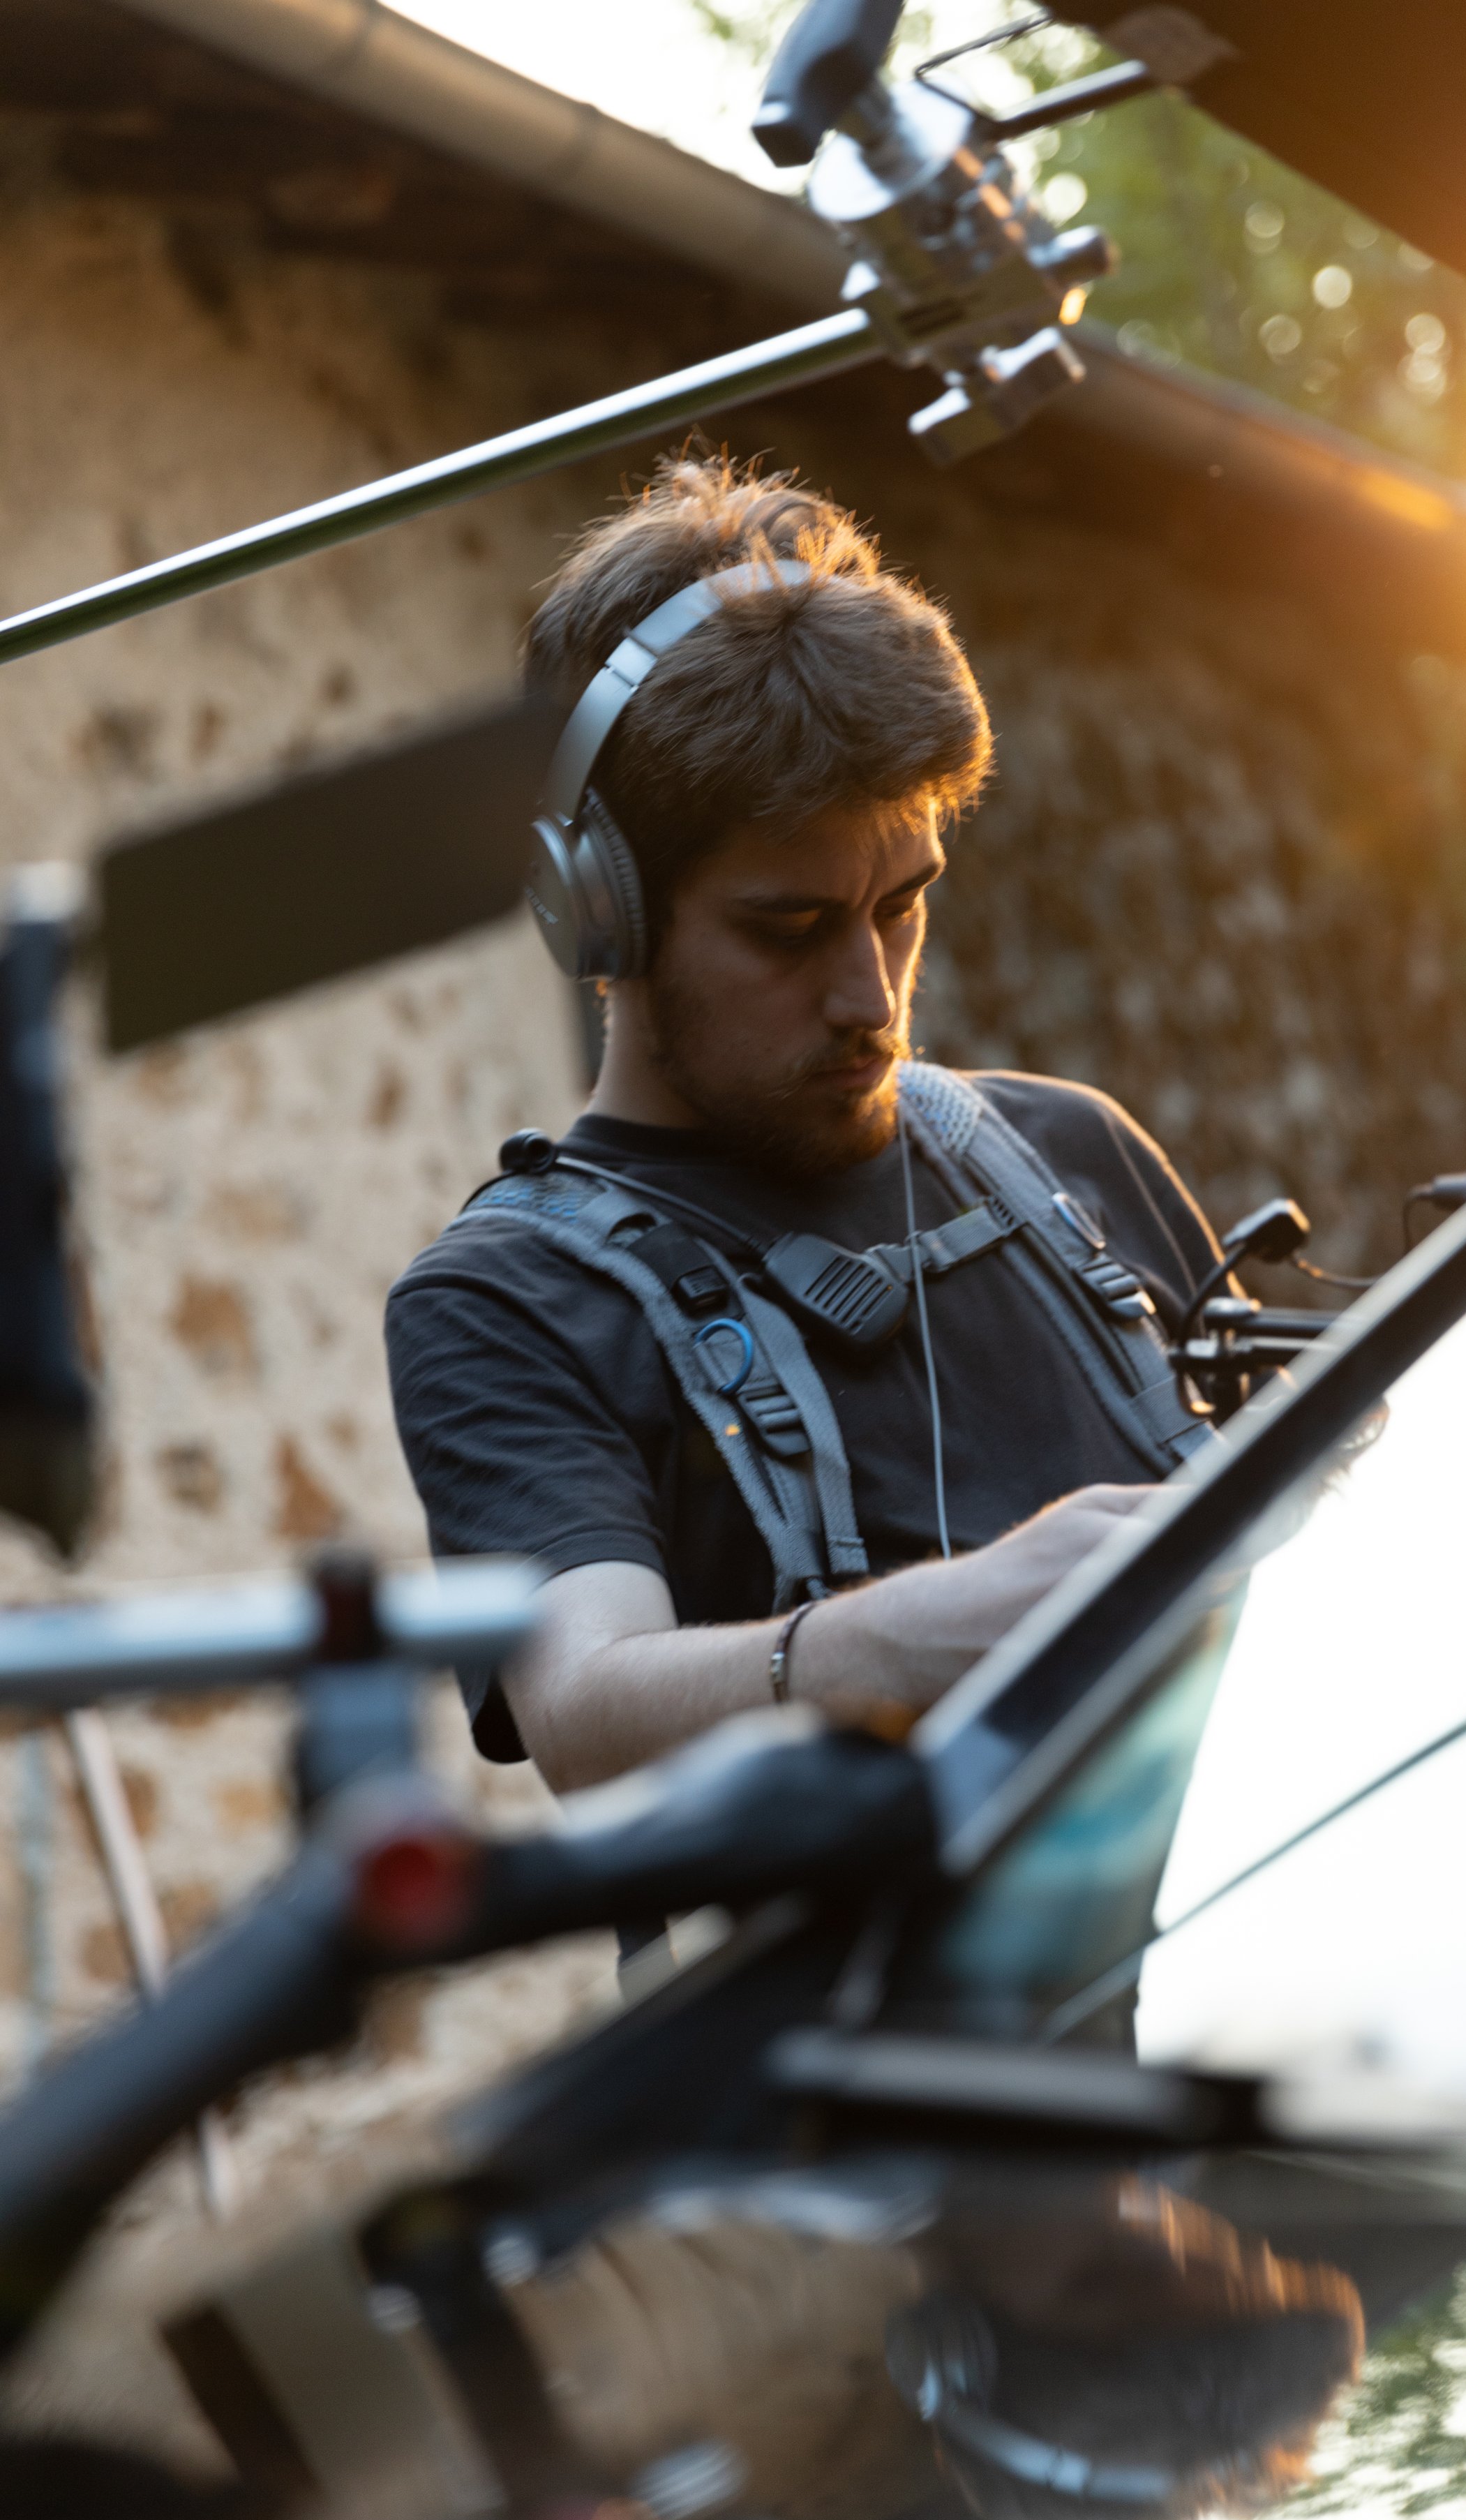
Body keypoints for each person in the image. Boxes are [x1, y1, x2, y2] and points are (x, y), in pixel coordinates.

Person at [386, 454, 1222, 1793]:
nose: (871, 995)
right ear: (604, 913)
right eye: (791, 928)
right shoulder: (505, 1299)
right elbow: (585, 1712)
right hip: (872, 2010)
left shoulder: (1073, 1153)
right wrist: (907, 1633)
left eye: (902, 903)